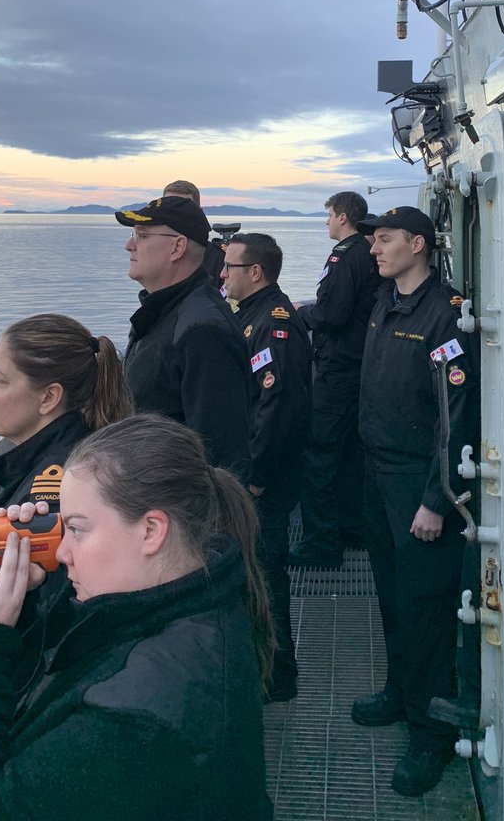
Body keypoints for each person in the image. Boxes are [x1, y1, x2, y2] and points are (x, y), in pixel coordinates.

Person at [0, 415, 275, 821]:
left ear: (151, 531)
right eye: (61, 528)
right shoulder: (191, 603)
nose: (63, 553)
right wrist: (22, 608)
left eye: (77, 530)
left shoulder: (140, 720)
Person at [351, 206, 478, 799]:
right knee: (391, 595)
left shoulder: (444, 315)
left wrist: (437, 498)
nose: (374, 248)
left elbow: (457, 416)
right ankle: (401, 694)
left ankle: (431, 733)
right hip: (376, 476)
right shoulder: (386, 301)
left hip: (417, 485)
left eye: (384, 239)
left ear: (418, 245)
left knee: (425, 606)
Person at [0, 312, 133, 654]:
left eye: (0, 380)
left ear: (48, 398)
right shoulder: (81, 456)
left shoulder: (50, 494)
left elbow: (44, 631)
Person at [221, 232, 312, 702]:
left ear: (254, 272)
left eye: (229, 267)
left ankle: (279, 677)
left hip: (266, 479)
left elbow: (279, 408)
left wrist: (256, 477)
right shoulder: (250, 316)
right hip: (258, 472)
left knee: (267, 577)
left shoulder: (274, 325)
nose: (222, 275)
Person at [116, 195, 251, 477]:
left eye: (141, 235)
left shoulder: (203, 331)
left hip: (171, 496)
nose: (129, 245)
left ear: (177, 247)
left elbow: (219, 454)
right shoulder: (164, 311)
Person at [289, 190, 380, 568]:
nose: (326, 221)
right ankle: (353, 528)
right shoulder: (368, 251)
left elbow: (333, 313)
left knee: (320, 455)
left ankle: (322, 544)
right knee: (351, 453)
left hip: (337, 367)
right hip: (359, 365)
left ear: (343, 217)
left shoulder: (344, 256)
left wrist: (302, 314)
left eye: (328, 215)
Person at [162, 177, 226, 286]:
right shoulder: (154, 253)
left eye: (183, 208)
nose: (175, 213)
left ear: (198, 212)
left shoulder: (218, 259)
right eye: (169, 207)